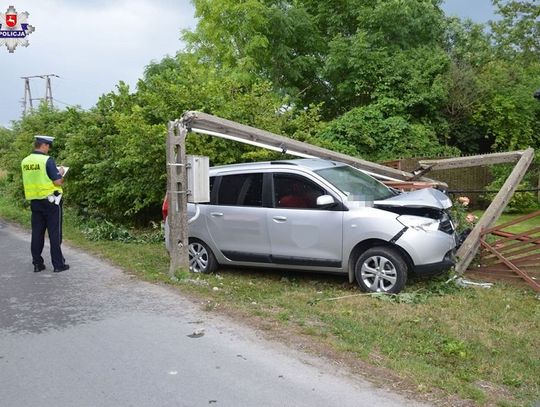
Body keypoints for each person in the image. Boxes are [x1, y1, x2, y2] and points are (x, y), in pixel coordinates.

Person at [21, 135, 69, 273]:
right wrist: (60, 173)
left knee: (37, 233)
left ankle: (37, 264)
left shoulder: (25, 161)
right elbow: (57, 182)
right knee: (54, 233)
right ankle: (58, 265)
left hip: (35, 201)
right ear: (43, 145)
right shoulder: (47, 160)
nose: (48, 149)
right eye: (48, 146)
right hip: (51, 201)